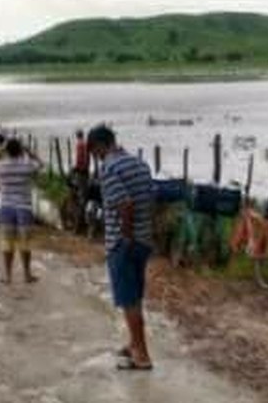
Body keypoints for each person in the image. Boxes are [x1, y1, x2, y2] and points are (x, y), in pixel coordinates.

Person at [88, 124, 154, 371]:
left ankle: (142, 356)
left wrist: (125, 237)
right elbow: (150, 198)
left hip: (124, 243)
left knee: (129, 301)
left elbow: (125, 205)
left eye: (94, 152)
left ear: (99, 146)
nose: (95, 157)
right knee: (135, 296)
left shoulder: (109, 168)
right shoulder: (139, 163)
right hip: (144, 240)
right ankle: (134, 343)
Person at [0, 138, 42, 284]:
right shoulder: (27, 165)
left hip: (6, 207)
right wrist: (29, 151)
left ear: (7, 151)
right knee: (25, 243)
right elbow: (41, 164)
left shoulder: (1, 166)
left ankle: (8, 276)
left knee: (7, 243)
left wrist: (1, 150)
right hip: (24, 207)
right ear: (20, 150)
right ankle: (27, 274)